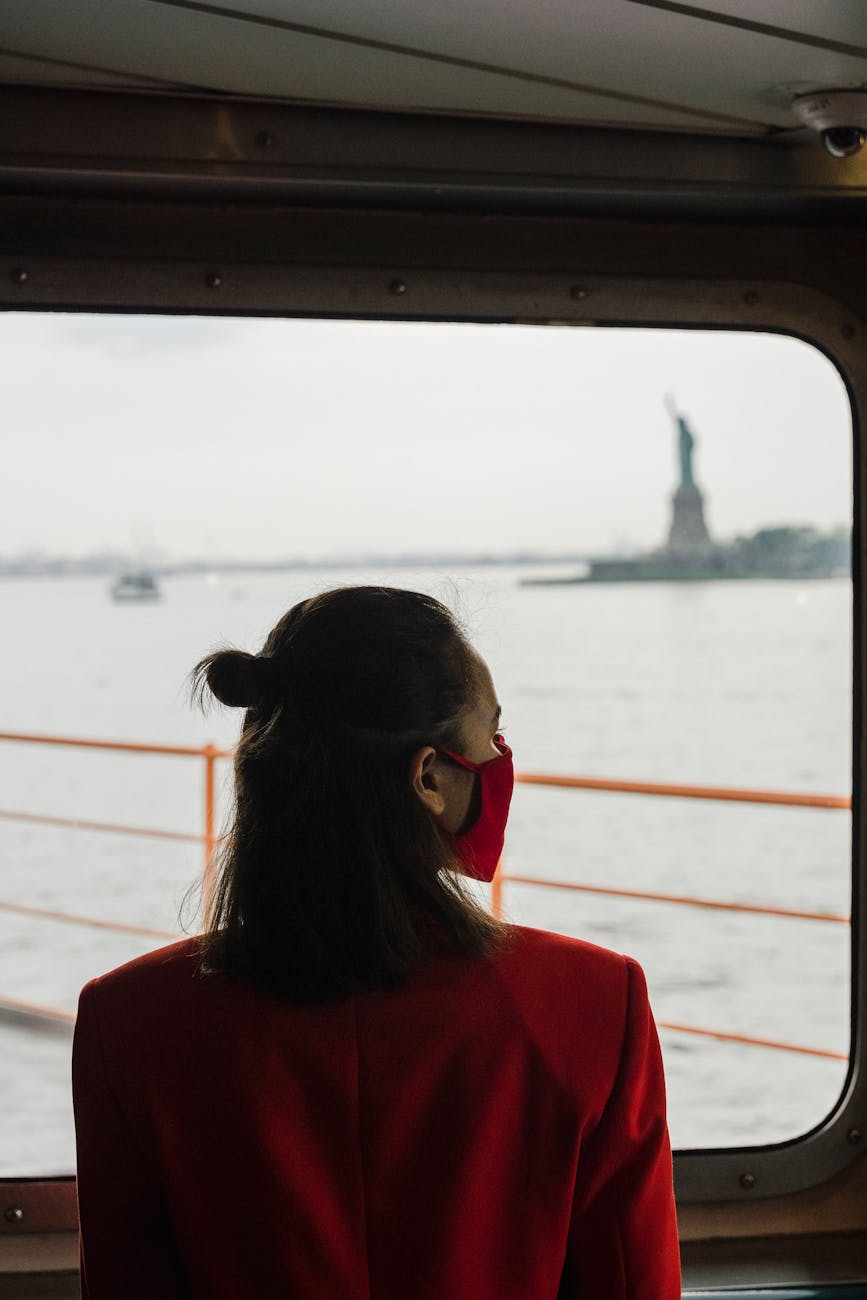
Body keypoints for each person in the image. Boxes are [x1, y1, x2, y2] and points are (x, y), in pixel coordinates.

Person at [72, 585, 681, 1298]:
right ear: (428, 776)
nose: (500, 755)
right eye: (492, 733)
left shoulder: (129, 1021)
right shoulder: (594, 1004)